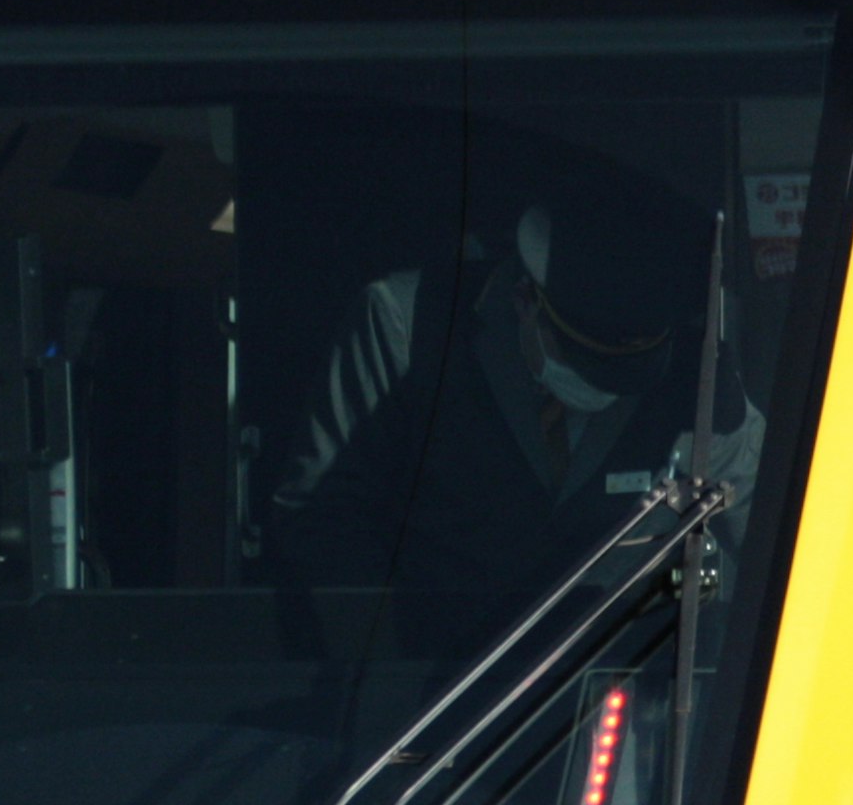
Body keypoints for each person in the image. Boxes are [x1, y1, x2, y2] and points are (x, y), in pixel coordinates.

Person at [270, 156, 735, 605]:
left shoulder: (695, 367)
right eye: (579, 362)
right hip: (439, 668)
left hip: (625, 657)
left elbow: (766, 515)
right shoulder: (406, 326)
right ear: (524, 302)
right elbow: (322, 520)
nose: (597, 392)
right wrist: (378, 663)